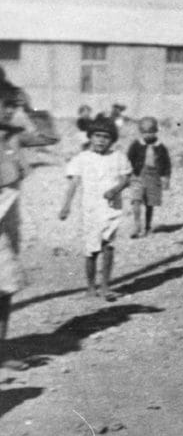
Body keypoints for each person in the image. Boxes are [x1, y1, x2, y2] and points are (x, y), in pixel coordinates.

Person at [0, 83, 59, 370]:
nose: (10, 110)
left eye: (13, 105)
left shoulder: (14, 136)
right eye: (5, 104)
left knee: (5, 287)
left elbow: (49, 137)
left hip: (7, 219)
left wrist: (31, 108)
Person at [58, 118, 132, 302]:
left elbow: (126, 179)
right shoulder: (82, 158)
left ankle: (106, 286)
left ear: (112, 140)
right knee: (91, 249)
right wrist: (66, 206)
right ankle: (91, 287)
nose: (101, 140)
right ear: (90, 137)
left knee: (108, 246)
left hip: (111, 208)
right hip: (90, 209)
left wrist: (115, 190)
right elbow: (73, 183)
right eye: (97, 136)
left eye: (106, 137)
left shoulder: (118, 157)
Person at [126, 117, 171, 238]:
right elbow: (128, 158)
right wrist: (127, 174)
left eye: (151, 132)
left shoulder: (160, 146)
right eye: (144, 132)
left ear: (156, 131)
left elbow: (166, 163)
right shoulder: (136, 144)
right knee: (136, 200)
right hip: (138, 174)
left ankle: (148, 226)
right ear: (141, 132)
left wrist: (166, 177)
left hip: (153, 175)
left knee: (149, 203)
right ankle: (137, 225)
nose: (147, 135)